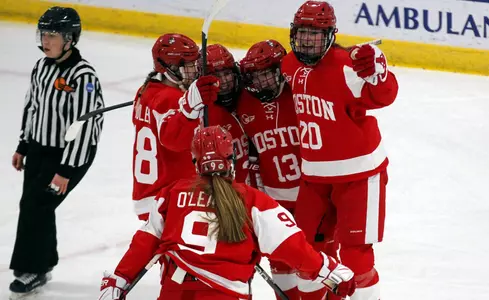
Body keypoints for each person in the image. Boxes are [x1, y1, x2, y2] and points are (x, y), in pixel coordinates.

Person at [98, 125, 357, 300]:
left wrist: (119, 279)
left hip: (175, 291)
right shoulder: (253, 200)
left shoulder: (173, 193)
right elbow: (292, 247)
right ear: (231, 160)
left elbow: (146, 242)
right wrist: (329, 270)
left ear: (195, 162)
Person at [281, 1, 399, 299]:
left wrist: (380, 71)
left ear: (330, 36)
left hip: (359, 175)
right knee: (305, 254)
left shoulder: (349, 66)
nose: (307, 40)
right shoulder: (288, 66)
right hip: (313, 176)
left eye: (315, 34)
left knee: (356, 259)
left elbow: (384, 95)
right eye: (302, 33)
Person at [9, 6, 105, 297]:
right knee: (33, 205)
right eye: (43, 34)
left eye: (53, 34)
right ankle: (43, 263)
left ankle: (34, 270)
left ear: (70, 38)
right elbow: (32, 107)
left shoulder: (83, 75)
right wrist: (23, 145)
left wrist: (66, 171)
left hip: (68, 155)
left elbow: (87, 126)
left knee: (37, 206)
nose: (46, 40)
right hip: (39, 149)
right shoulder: (41, 66)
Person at [237, 39, 303, 300]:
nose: (261, 82)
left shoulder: (299, 93)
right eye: (256, 76)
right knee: (281, 261)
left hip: (311, 195)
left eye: (267, 74)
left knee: (316, 260)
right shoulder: (243, 103)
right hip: (274, 201)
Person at [131, 33, 219, 220]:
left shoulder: (144, 91)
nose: (194, 71)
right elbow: (174, 140)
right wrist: (189, 110)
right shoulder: (171, 99)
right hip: (169, 195)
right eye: (187, 66)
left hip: (148, 192)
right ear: (169, 68)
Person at [201, 44, 250, 184]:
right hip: (226, 193)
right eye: (215, 75)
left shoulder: (249, 96)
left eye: (227, 73)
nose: (223, 81)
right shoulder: (202, 115)